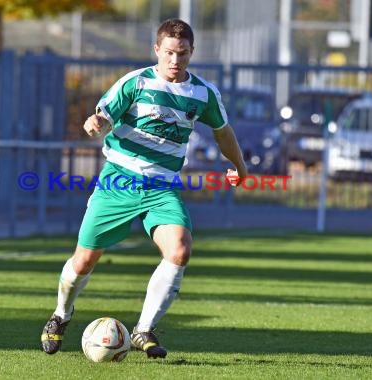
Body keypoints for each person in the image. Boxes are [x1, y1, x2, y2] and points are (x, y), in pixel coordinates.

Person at [40, 18, 248, 359]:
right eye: (168, 52)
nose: (175, 60)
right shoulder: (135, 83)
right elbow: (105, 114)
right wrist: (98, 123)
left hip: (162, 188)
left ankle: (143, 330)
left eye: (182, 53)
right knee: (83, 261)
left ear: (192, 52)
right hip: (118, 182)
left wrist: (240, 167)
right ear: (156, 50)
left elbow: (223, 132)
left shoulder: (203, 93)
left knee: (179, 250)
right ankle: (61, 315)